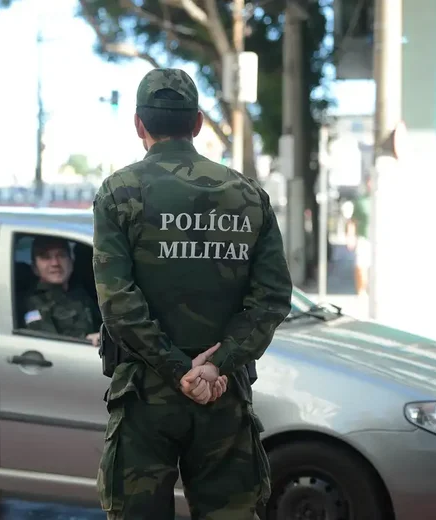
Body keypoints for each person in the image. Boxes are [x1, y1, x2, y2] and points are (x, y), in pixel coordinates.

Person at [92, 68, 293, 520]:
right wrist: (216, 366)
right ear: (198, 123)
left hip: (145, 395)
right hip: (223, 393)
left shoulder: (119, 192)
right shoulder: (247, 195)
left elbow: (117, 302)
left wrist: (177, 369)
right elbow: (274, 297)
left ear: (139, 125)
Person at [20, 236, 102, 345]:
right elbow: (48, 347)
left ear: (71, 262)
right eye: (45, 257)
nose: (55, 263)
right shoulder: (33, 303)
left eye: (61, 255)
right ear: (35, 268)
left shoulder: (80, 294)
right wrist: (86, 340)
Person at [346, 178, 371, 298]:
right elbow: (353, 221)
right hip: (364, 238)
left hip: (380, 239)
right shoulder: (361, 201)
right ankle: (362, 291)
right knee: (361, 265)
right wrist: (351, 237)